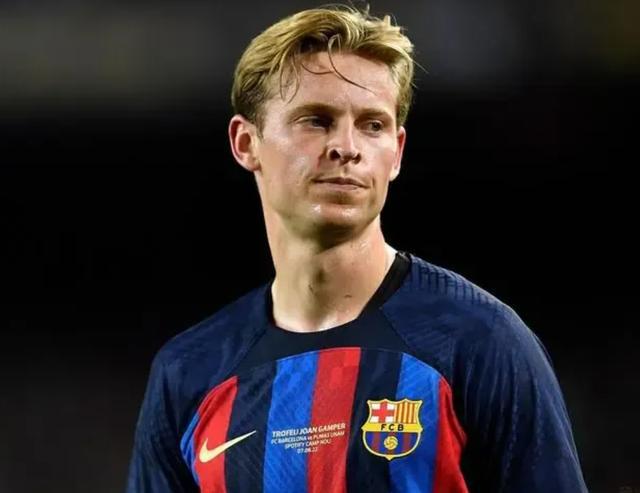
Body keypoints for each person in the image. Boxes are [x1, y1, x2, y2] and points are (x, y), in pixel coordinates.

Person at [126, 6, 588, 492]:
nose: (347, 147)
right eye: (316, 120)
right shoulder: (189, 373)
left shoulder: (479, 341)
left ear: (398, 152)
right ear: (246, 143)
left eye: (372, 125)